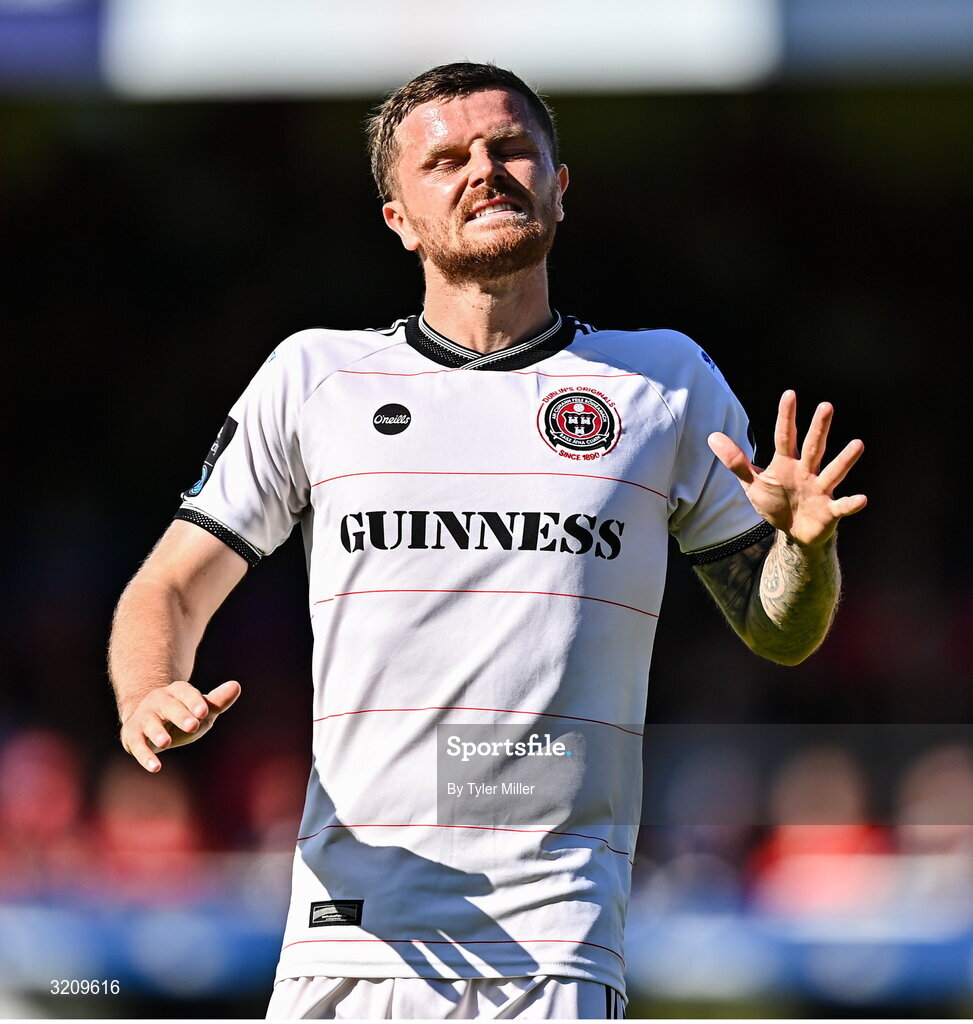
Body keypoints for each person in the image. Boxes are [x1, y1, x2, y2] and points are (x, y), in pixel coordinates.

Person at [108, 61, 867, 1020]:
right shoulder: (315, 377)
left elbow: (780, 633)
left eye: (511, 148)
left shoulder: (661, 382)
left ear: (559, 185)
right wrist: (147, 690)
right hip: (351, 932)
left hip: (554, 942)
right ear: (396, 217)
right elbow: (171, 585)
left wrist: (807, 548)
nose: (485, 171)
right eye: (446, 160)